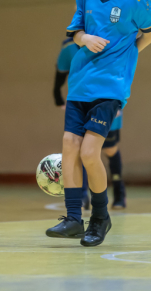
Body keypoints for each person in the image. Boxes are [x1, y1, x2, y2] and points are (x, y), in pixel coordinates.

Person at [46, 0, 151, 246]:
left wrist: (126, 57)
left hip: (109, 89)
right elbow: (75, 33)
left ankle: (99, 217)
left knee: (90, 152)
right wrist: (85, 38)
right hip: (80, 85)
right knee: (70, 146)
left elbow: (149, 34)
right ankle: (73, 219)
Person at [53, 37, 127, 210]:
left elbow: (122, 70)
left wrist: (118, 101)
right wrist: (58, 99)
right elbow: (60, 76)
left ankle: (118, 192)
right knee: (81, 150)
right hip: (81, 102)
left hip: (107, 103)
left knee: (109, 149)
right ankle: (82, 196)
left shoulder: (113, 40)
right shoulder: (69, 47)